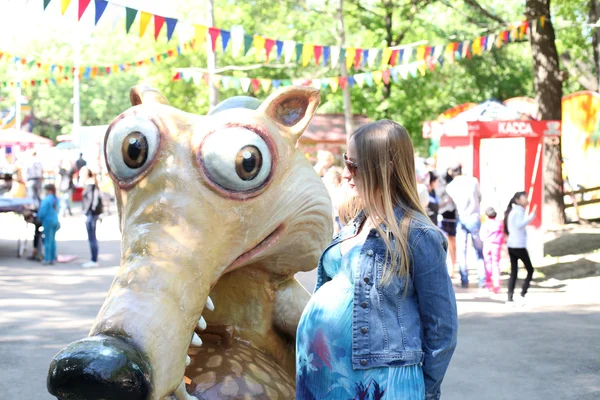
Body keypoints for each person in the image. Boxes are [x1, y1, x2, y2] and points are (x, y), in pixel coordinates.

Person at [296, 120, 458, 400]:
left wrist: (426, 392)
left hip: (378, 384)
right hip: (321, 377)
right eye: (346, 162)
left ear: (384, 168)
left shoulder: (418, 235)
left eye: (354, 166)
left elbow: (442, 328)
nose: (347, 174)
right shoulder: (355, 223)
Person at [445, 163, 486, 288]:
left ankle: (464, 279)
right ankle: (482, 279)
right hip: (474, 217)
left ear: (451, 172)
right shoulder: (473, 181)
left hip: (461, 218)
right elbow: (479, 197)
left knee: (462, 250)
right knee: (479, 250)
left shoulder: (451, 186)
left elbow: (450, 205)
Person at [504, 191, 537, 303]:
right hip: (518, 245)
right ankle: (522, 293)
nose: (526, 199)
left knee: (514, 271)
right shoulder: (518, 212)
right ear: (517, 200)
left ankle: (510, 296)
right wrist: (531, 216)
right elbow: (519, 225)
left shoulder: (514, 211)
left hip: (512, 244)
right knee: (529, 269)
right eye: (524, 197)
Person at [436, 166, 458, 277]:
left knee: (451, 243)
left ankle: (452, 267)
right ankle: (450, 267)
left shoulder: (451, 185)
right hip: (445, 216)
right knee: (448, 244)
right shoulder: (443, 185)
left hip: (450, 216)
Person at [81, 167, 103, 268]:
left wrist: (85, 213)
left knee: (92, 237)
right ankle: (94, 259)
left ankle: (94, 259)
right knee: (92, 237)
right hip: (93, 214)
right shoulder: (93, 185)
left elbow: (89, 201)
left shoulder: (90, 185)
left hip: (90, 214)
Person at [480, 207, 504, 294]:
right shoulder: (499, 224)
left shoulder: (485, 224)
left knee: (488, 264)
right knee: (496, 265)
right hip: (496, 246)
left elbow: (482, 236)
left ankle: (488, 284)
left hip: (487, 245)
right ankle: (496, 286)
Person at [37, 184, 60, 265]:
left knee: (47, 241)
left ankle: (47, 259)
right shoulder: (56, 199)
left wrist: (38, 217)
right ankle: (53, 258)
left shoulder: (46, 200)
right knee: (52, 240)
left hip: (48, 221)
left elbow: (42, 212)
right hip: (55, 220)